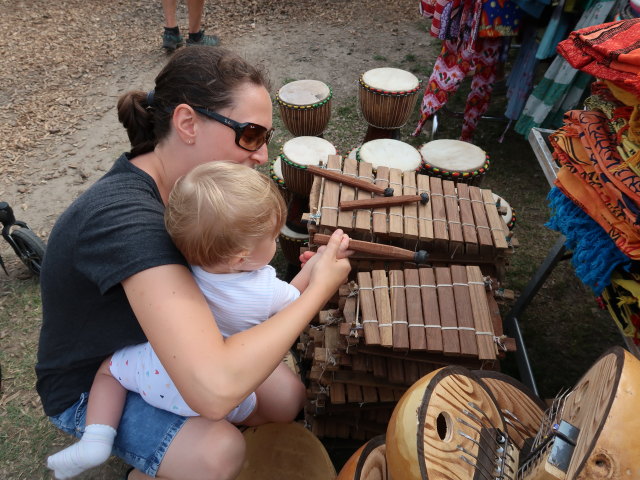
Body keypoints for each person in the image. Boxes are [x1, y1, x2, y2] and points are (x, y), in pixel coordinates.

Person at [36, 46, 351, 480]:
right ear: (187, 123)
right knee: (218, 451)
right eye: (250, 135)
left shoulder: (192, 199)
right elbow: (215, 393)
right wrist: (318, 289)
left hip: (162, 352)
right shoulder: (126, 221)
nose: (261, 155)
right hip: (98, 379)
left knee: (286, 397)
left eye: (265, 139)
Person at [46, 161, 345, 479]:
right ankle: (158, 464)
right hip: (210, 393)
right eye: (271, 238)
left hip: (157, 372)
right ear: (239, 257)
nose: (274, 244)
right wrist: (317, 276)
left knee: (108, 371)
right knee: (260, 411)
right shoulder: (264, 291)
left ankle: (97, 438)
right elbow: (291, 308)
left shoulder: (182, 262)